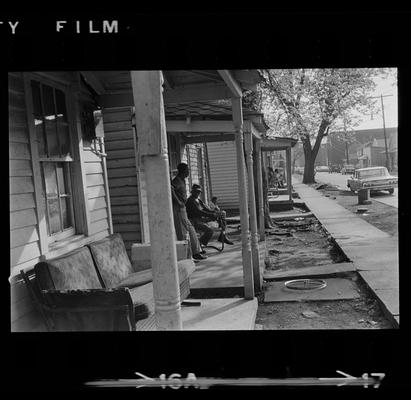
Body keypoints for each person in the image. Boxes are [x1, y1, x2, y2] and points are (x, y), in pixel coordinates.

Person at [171, 163, 207, 261]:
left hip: (183, 210)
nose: (188, 172)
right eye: (187, 170)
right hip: (178, 209)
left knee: (191, 230)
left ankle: (195, 253)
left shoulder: (182, 180)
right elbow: (170, 188)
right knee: (182, 233)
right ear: (183, 171)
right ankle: (187, 257)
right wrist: (178, 201)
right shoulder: (177, 180)